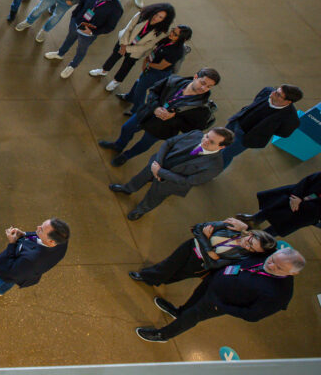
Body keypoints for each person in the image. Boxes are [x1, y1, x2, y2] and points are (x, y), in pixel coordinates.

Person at [135, 247, 303, 342]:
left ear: (292, 273)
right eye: (273, 259)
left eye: (278, 268)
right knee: (192, 301)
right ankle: (178, 312)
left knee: (192, 317)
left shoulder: (279, 294)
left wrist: (221, 306)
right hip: (214, 281)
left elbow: (252, 315)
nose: (270, 264)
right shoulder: (269, 255)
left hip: (218, 302)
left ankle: (163, 334)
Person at [100, 68, 221, 167]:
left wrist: (173, 118)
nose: (203, 88)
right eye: (203, 83)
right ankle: (118, 145)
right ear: (195, 77)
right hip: (147, 113)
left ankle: (126, 156)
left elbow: (193, 128)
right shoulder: (173, 81)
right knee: (127, 128)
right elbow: (153, 91)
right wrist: (155, 107)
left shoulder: (202, 108)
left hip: (163, 128)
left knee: (144, 144)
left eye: (209, 87)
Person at [110, 127, 234, 220]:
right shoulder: (195, 134)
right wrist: (157, 164)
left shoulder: (215, 166)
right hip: (158, 163)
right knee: (139, 178)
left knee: (154, 197)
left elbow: (188, 181)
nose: (205, 140)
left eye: (212, 142)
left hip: (171, 183)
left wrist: (159, 172)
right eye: (207, 136)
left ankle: (141, 210)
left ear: (222, 147)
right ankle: (127, 188)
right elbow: (169, 143)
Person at [130, 217, 276, 287]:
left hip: (199, 264)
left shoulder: (242, 256)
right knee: (168, 265)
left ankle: (159, 280)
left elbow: (215, 264)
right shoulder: (233, 227)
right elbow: (198, 229)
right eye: (250, 242)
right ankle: (146, 276)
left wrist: (206, 242)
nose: (247, 246)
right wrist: (209, 248)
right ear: (251, 234)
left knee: (178, 275)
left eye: (252, 249)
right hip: (191, 247)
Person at [43, 0, 124, 78]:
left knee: (81, 49)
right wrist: (74, 17)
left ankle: (72, 66)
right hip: (76, 23)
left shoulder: (116, 8)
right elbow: (82, 2)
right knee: (69, 39)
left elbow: (110, 27)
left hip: (89, 33)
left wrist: (92, 32)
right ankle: (60, 54)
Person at [89, 3, 175, 91]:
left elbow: (147, 46)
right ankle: (103, 71)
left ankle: (116, 81)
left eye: (161, 17)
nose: (156, 18)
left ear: (165, 20)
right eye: (156, 14)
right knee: (114, 56)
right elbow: (128, 28)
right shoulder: (142, 15)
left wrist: (127, 49)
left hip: (135, 51)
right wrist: (123, 45)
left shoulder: (161, 32)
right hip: (124, 41)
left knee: (126, 66)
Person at [221, 85, 303, 169]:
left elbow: (284, 133)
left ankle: (213, 171)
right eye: (276, 90)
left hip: (246, 138)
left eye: (278, 94)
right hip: (236, 123)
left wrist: (266, 129)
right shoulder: (267, 91)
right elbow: (256, 100)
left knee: (225, 154)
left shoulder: (290, 118)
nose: (273, 93)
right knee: (218, 140)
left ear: (288, 102)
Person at [117, 25, 193, 113]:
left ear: (182, 39)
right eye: (172, 30)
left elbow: (161, 66)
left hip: (158, 72)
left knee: (140, 89)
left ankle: (137, 110)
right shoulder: (168, 39)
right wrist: (147, 61)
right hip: (151, 65)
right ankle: (129, 97)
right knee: (139, 82)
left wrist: (147, 64)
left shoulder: (176, 52)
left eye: (175, 34)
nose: (171, 34)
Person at [0, 218, 69, 295]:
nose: (38, 227)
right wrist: (24, 234)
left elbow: (9, 269)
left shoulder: (31, 259)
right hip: (23, 272)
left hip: (14, 268)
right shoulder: (62, 239)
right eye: (41, 225)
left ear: (51, 241)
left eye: (41, 229)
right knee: (10, 281)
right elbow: (37, 236)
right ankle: (0, 290)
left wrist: (12, 243)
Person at [239, 171, 321, 237]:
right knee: (271, 208)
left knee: (279, 227)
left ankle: (256, 238)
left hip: (309, 213)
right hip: (296, 195)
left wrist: (300, 203)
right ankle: (254, 220)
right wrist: (296, 196)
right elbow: (307, 181)